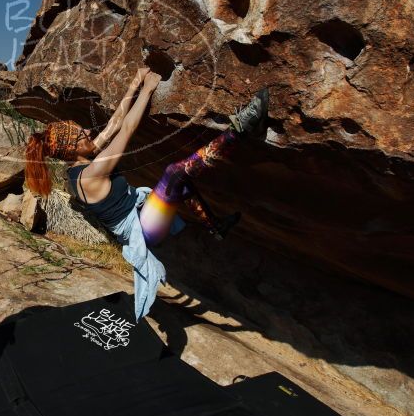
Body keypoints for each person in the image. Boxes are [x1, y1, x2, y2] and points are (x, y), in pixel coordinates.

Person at [24, 69, 268, 321]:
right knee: (174, 174)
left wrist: (135, 83)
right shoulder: (90, 175)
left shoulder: (80, 164)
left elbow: (115, 122)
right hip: (142, 228)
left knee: (177, 187)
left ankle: (215, 227)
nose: (87, 130)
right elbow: (127, 130)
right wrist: (149, 88)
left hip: (142, 213)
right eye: (81, 134)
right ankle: (241, 129)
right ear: (72, 148)